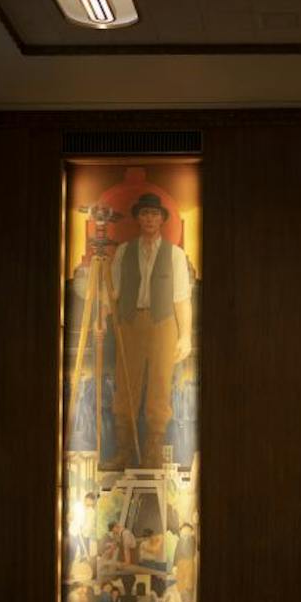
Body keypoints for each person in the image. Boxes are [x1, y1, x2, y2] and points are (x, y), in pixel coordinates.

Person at [108, 192, 195, 469]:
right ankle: (124, 451)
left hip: (163, 324)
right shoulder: (123, 251)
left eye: (154, 214)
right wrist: (102, 317)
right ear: (138, 218)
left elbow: (181, 298)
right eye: (144, 213)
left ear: (162, 219)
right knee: (126, 388)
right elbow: (114, 294)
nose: (149, 218)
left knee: (159, 386)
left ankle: (153, 453)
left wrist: (185, 336)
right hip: (130, 322)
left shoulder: (176, 255)